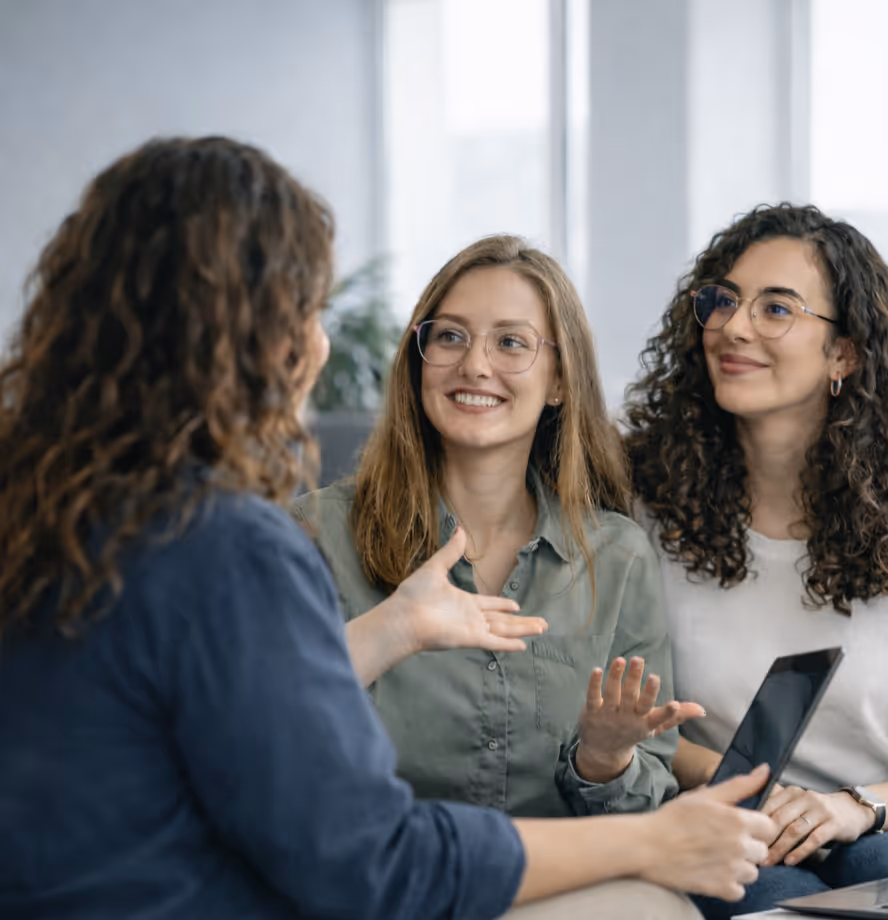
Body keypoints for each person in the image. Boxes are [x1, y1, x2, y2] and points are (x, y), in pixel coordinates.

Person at [0, 136, 777, 920]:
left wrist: (615, 773)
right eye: (307, 310)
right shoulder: (241, 547)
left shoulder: (54, 517)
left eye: (511, 343)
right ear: (248, 336)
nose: (322, 342)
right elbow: (371, 861)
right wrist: (652, 844)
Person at [624, 203, 888, 920]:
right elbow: (641, 727)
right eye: (722, 301)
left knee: (879, 863)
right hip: (736, 826)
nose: (734, 327)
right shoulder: (647, 501)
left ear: (845, 354)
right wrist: (757, 797)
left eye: (777, 308)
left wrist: (850, 810)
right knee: (768, 884)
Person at [294, 234, 692, 818]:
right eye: (451, 336)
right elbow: (262, 727)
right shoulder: (317, 532)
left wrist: (605, 761)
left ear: (560, 381)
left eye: (511, 343)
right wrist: (389, 629)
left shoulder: (617, 555)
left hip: (560, 884)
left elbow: (648, 789)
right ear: (418, 361)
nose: (475, 366)